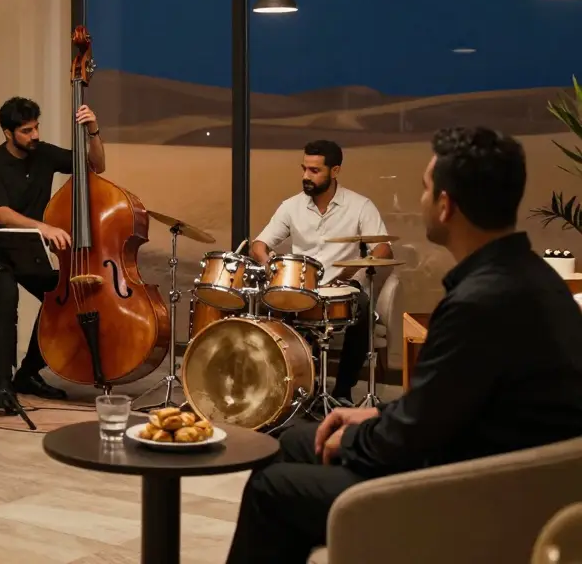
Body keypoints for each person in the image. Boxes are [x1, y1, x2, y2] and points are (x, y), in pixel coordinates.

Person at [226, 127, 582, 564]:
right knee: (294, 442)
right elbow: (447, 404)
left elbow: (411, 438)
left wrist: (354, 438)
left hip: (461, 492)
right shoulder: (531, 280)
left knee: (272, 489)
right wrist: (376, 412)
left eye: (426, 189)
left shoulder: (480, 304)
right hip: (480, 457)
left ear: (446, 206)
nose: (422, 200)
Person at [0, 96, 106, 410]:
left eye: (36, 127)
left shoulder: (43, 153)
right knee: (6, 299)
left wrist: (93, 131)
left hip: (27, 253)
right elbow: (2, 215)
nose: (34, 135)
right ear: (8, 133)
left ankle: (28, 373)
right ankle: (3, 387)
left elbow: (96, 166)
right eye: (26, 130)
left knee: (63, 296)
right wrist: (43, 228)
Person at [250, 139, 392, 403]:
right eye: (304, 169)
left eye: (314, 171)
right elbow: (259, 244)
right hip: (304, 288)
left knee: (362, 310)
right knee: (274, 308)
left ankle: (343, 390)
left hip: (343, 289)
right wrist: (268, 262)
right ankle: (301, 387)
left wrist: (358, 269)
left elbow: (383, 249)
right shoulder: (291, 206)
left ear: (335, 171)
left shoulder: (360, 206)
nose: (306, 176)